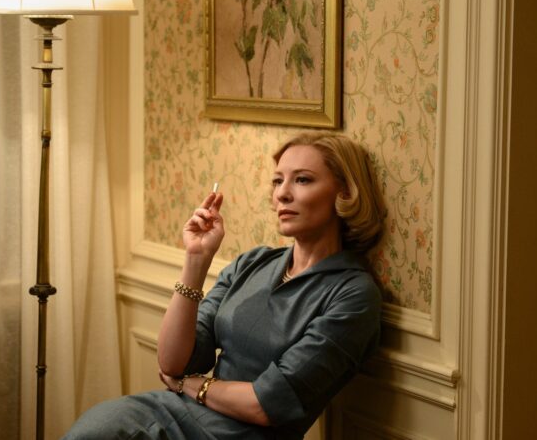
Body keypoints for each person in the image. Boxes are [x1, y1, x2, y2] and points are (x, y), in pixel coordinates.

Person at [62, 132, 387, 439]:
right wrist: (196, 261)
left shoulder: (353, 294)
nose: (282, 193)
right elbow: (173, 362)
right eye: (278, 180)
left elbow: (266, 405)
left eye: (302, 179)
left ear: (345, 193)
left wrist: (190, 386)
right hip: (173, 412)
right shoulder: (253, 262)